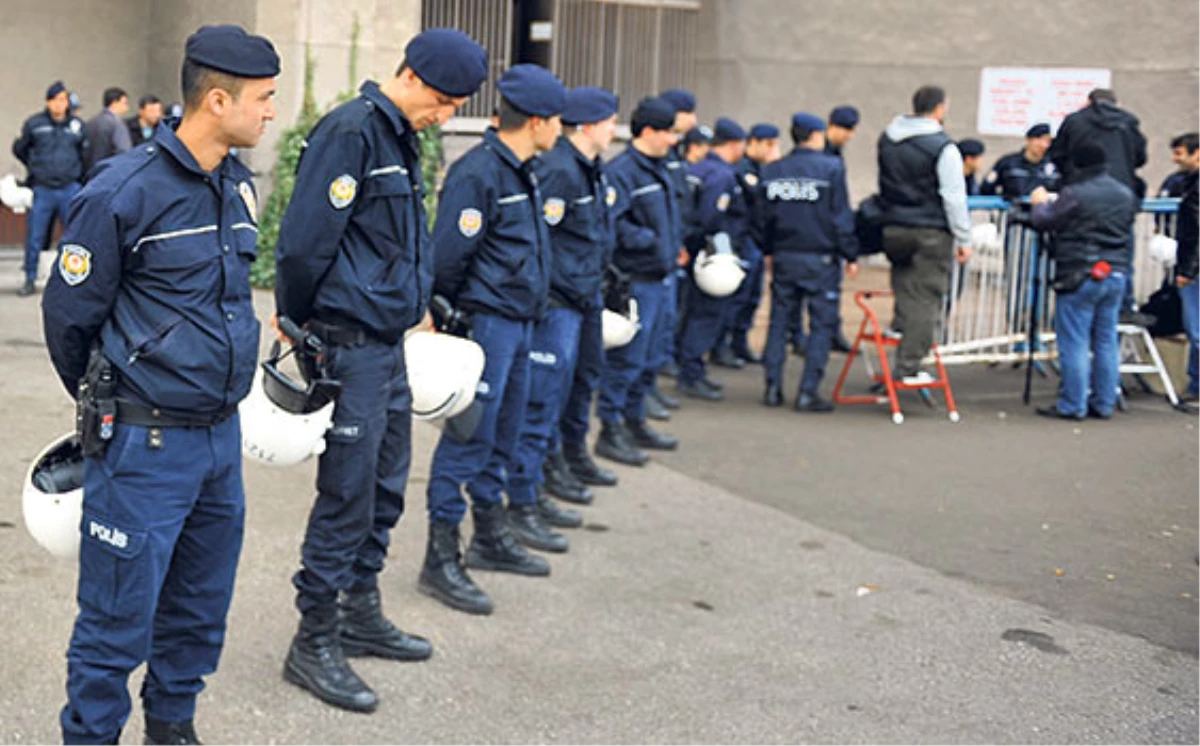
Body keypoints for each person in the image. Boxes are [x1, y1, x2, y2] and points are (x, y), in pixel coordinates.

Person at [40, 25, 278, 745]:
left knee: (198, 611)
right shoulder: (123, 192)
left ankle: (172, 728)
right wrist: (110, 401)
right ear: (216, 99)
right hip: (144, 446)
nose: (271, 112)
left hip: (218, 443)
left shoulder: (234, 185)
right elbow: (68, 322)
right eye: (263, 100)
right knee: (115, 625)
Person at [274, 28, 487, 712]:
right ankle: (313, 640)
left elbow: (397, 241)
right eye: (446, 102)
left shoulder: (399, 137)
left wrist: (415, 304)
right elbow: (305, 244)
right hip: (348, 343)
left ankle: (360, 610)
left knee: (386, 483)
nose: (446, 116)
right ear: (414, 78)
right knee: (346, 492)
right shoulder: (352, 132)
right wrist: (301, 325)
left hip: (389, 345)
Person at [423, 64, 567, 616]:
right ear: (536, 121)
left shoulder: (523, 169)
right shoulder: (479, 173)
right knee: (468, 438)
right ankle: (440, 558)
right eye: (556, 120)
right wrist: (448, 316)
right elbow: (448, 257)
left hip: (520, 322)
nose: (561, 130)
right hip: (487, 326)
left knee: (502, 434)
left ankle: (488, 535)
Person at [511, 86, 620, 534]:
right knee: (542, 401)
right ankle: (527, 493)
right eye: (611, 122)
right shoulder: (559, 170)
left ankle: (555, 466)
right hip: (558, 303)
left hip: (584, 297)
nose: (616, 130)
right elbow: (545, 242)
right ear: (591, 125)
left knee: (578, 386)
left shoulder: (590, 169)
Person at [595, 97, 681, 465]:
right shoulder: (623, 172)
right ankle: (610, 428)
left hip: (662, 278)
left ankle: (635, 420)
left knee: (652, 357)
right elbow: (612, 225)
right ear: (648, 131)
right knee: (626, 361)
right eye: (668, 131)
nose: (673, 139)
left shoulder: (661, 169)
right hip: (637, 280)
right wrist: (647, 241)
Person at [1030, 144, 1138, 420]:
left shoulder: (1075, 194)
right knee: (1105, 341)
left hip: (1080, 272)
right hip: (1115, 272)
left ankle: (1073, 404)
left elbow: (1045, 221)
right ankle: (1104, 403)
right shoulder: (1125, 194)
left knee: (1074, 341)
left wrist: (1040, 203)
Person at [760, 113, 859, 411]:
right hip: (821, 259)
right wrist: (850, 253)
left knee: (779, 323)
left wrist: (768, 250)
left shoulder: (773, 171)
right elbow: (840, 218)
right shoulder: (831, 169)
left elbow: (762, 219)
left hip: (785, 256)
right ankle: (807, 392)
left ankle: (773, 388)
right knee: (821, 326)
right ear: (817, 136)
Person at [876, 85, 972, 384]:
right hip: (930, 229)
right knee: (927, 298)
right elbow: (953, 196)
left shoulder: (888, 139)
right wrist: (963, 237)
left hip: (894, 226)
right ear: (940, 108)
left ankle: (900, 340)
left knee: (904, 288)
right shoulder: (943, 147)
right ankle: (910, 365)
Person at [676, 117, 750, 400]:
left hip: (695, 250)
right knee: (706, 314)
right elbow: (711, 218)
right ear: (734, 145)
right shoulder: (722, 175)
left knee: (695, 312)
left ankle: (693, 370)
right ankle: (692, 374)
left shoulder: (697, 168)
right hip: (713, 254)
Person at [11, 80, 86, 296]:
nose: (60, 104)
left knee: (75, 236)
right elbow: (21, 149)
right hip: (43, 189)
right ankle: (30, 279)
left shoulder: (77, 126)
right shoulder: (35, 124)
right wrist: (36, 167)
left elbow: (84, 153)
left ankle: (75, 280)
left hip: (69, 188)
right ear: (48, 101)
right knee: (35, 236)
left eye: (63, 100)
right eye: (56, 99)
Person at [1171, 134, 1200, 403]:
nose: (1175, 159)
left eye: (1180, 153)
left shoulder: (1196, 188)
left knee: (1197, 330)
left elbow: (1197, 235)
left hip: (1196, 267)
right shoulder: (1191, 184)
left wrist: (1187, 270)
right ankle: (1195, 387)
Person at [980, 123, 1059, 199]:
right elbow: (986, 188)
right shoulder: (1008, 163)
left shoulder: (1054, 166)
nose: (1043, 145)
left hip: (1043, 211)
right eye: (1039, 140)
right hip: (1015, 210)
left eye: (1047, 141)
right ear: (1028, 140)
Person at [82, 87, 132, 173]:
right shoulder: (117, 124)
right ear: (114, 103)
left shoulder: (92, 121)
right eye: (125, 103)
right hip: (109, 173)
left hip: (89, 173)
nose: (127, 108)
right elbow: (124, 151)